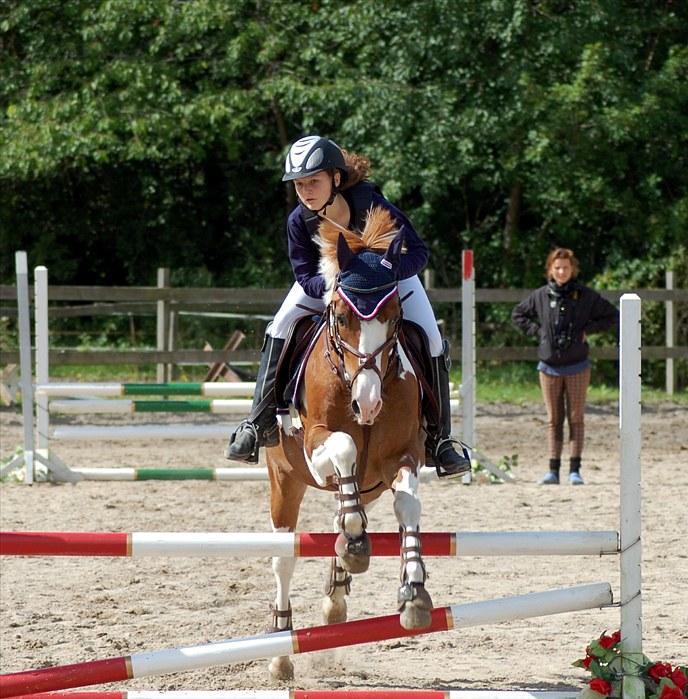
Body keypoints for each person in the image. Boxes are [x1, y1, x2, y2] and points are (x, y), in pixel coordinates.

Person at [226, 135, 470, 477]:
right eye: (299, 184)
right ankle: (258, 422)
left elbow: (418, 253)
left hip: (387, 282)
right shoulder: (298, 221)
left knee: (431, 337)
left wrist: (386, 273)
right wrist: (335, 290)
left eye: (314, 181)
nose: (306, 191)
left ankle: (440, 440)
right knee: (280, 325)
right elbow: (304, 275)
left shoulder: (371, 204)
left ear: (336, 178)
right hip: (329, 286)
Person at [511, 247, 617, 485]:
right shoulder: (540, 295)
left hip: (577, 365)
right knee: (553, 419)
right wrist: (539, 332)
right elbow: (518, 314)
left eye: (566, 268)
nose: (561, 272)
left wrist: (588, 330)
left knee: (576, 418)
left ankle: (575, 470)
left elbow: (611, 315)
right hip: (549, 367)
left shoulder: (586, 295)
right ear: (550, 270)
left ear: (573, 269)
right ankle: (553, 469)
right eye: (557, 268)